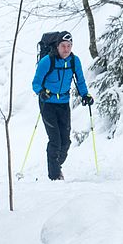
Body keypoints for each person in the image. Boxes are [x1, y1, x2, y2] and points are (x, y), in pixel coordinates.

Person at [32, 31, 93, 180]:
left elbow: (80, 80)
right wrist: (41, 92)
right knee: (55, 140)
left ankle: (55, 165)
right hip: (47, 104)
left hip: (64, 103)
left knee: (65, 141)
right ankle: (54, 176)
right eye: (63, 46)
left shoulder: (74, 61)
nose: (66, 49)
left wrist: (85, 95)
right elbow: (36, 83)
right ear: (57, 46)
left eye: (69, 46)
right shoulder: (47, 61)